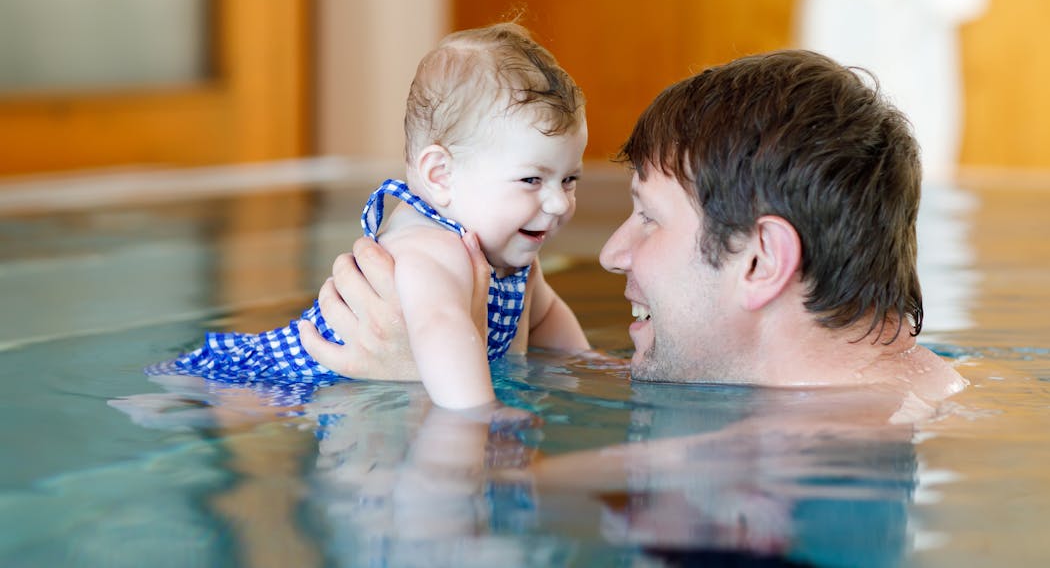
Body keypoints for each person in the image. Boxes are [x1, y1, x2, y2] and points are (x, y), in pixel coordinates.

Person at [301, 49, 967, 409]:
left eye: (647, 216)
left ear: (762, 260)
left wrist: (412, 391)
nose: (614, 252)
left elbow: (472, 495)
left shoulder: (802, 444)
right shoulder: (916, 388)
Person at [164, 22, 590, 410]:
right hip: (273, 381)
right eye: (532, 180)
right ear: (441, 175)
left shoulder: (510, 254)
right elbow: (442, 331)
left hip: (343, 398)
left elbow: (546, 319)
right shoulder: (431, 248)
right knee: (197, 413)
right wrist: (482, 418)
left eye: (569, 179)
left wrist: (590, 366)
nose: (558, 203)